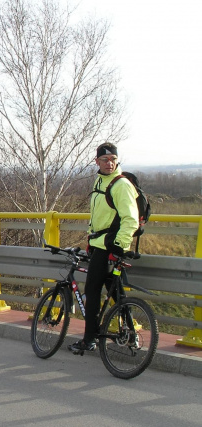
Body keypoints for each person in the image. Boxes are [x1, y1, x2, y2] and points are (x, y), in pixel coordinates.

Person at [68, 142, 139, 354]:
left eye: (113, 160)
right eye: (105, 160)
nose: (110, 163)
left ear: (118, 161)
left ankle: (89, 339)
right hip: (100, 244)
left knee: (92, 290)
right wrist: (91, 241)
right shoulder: (100, 181)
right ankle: (131, 335)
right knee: (115, 291)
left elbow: (131, 220)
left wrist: (120, 245)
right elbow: (99, 217)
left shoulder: (121, 185)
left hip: (110, 246)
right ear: (96, 161)